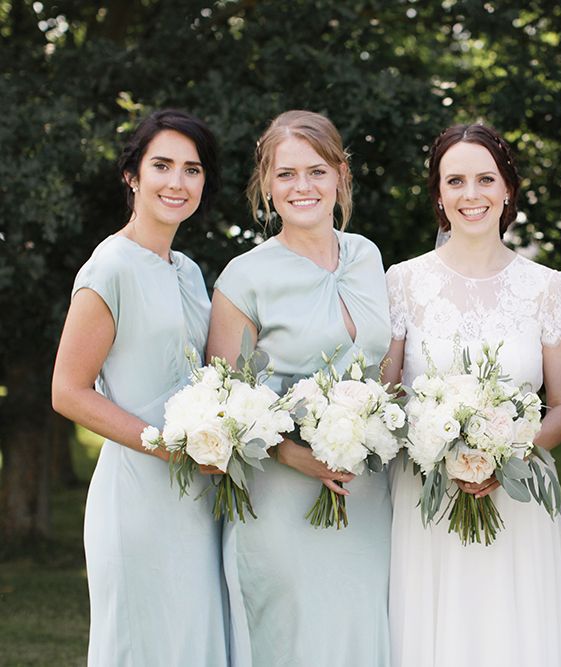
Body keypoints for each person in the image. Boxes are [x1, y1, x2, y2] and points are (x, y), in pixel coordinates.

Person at [383, 123, 561, 666]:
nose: (471, 195)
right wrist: (439, 446)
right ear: (439, 196)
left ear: (508, 190)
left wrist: (506, 455)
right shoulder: (402, 282)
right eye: (455, 182)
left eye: (485, 179)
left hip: (520, 495)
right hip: (430, 494)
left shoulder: (546, 287)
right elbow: (386, 397)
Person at [207, 110, 392, 667]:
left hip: (366, 496)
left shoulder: (367, 256)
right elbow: (225, 406)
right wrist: (300, 457)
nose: (302, 187)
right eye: (285, 174)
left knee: (359, 634)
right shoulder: (245, 276)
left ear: (341, 174)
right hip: (283, 497)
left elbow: (383, 371)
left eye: (316, 171)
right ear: (266, 183)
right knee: (292, 642)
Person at [51, 110, 228, 666]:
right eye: (162, 166)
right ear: (132, 176)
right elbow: (68, 390)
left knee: (193, 644)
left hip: (198, 496)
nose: (177, 182)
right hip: (137, 496)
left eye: (192, 169)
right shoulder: (110, 267)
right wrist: (168, 444)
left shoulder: (190, 271)